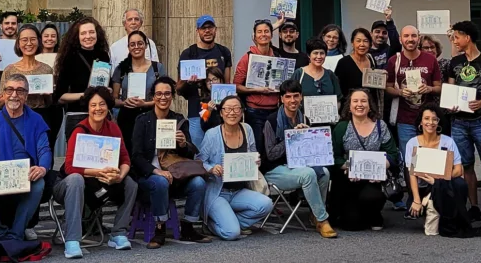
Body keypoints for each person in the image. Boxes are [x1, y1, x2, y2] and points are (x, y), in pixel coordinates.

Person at [54, 87, 138, 257]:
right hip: (70, 185)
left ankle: (118, 233)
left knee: (131, 183)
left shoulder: (113, 128)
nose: (98, 108)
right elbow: (69, 168)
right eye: (93, 105)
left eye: (102, 104)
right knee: (76, 178)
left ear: (108, 107)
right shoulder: (79, 130)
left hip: (103, 182)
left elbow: (125, 159)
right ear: (88, 108)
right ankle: (72, 240)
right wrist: (99, 172)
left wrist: (119, 176)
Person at [0, 72, 51, 241]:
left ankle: (16, 233)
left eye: (20, 91)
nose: (14, 95)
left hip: (23, 177)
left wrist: (42, 168)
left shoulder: (36, 120)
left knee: (39, 183)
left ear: (26, 96)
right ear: (3, 94)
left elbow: (45, 150)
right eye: (10, 90)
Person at [130, 77, 210, 248]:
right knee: (160, 181)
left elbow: (189, 154)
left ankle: (188, 226)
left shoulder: (179, 119)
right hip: (149, 177)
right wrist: (155, 171)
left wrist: (182, 144)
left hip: (176, 174)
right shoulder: (143, 120)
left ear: (172, 96)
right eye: (159, 94)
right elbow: (135, 155)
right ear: (153, 96)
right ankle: (160, 228)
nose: (163, 97)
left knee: (198, 183)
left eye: (167, 93)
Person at [442, 20, 481, 222]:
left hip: (480, 121)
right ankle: (474, 207)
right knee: (466, 165)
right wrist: (450, 104)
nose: (455, 41)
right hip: (459, 121)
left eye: (457, 37)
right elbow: (451, 88)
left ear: (467, 37)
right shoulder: (455, 62)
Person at [261, 80, 336, 238]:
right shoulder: (272, 121)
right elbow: (271, 154)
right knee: (308, 174)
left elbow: (311, 151)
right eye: (288, 97)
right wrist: (292, 137)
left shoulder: (305, 118)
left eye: (296, 96)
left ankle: (314, 214)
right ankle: (322, 219)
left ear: (301, 97)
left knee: (325, 173)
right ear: (282, 99)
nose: (292, 100)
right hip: (275, 169)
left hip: (299, 164)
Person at [200, 95, 274, 240]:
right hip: (218, 192)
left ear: (242, 112)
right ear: (221, 113)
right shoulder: (212, 134)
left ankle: (231, 221)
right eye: (227, 109)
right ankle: (210, 224)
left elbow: (253, 152)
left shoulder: (247, 129)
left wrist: (256, 160)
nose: (232, 113)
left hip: (240, 191)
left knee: (266, 204)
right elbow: (199, 161)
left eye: (236, 109)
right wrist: (211, 168)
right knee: (231, 233)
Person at [328, 88, 399, 232]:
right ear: (349, 106)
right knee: (351, 224)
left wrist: (380, 168)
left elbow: (393, 153)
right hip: (348, 180)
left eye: (363, 101)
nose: (359, 104)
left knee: (371, 197)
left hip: (374, 180)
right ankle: (353, 212)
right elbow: (334, 156)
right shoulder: (342, 127)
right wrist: (348, 167)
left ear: (369, 105)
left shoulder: (380, 126)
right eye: (355, 101)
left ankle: (374, 213)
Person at [404, 104, 471, 237]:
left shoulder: (448, 142)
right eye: (427, 118)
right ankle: (425, 204)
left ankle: (448, 216)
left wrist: (438, 180)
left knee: (460, 184)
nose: (430, 122)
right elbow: (411, 174)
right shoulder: (412, 143)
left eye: (434, 119)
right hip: (422, 187)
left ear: (439, 121)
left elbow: (459, 169)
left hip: (444, 184)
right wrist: (416, 199)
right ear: (421, 122)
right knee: (420, 204)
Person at [385, 24, 443, 159]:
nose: (410, 39)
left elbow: (439, 88)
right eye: (406, 36)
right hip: (405, 119)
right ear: (400, 39)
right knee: (409, 158)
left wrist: (429, 89)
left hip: (428, 118)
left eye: (413, 36)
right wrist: (399, 92)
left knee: (429, 157)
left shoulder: (430, 59)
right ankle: (411, 181)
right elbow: (387, 88)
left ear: (419, 38)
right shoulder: (394, 61)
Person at [178, 14, 233, 147]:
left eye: (210, 27)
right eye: (203, 28)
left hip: (218, 112)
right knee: (198, 152)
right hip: (196, 112)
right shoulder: (188, 53)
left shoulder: (224, 52)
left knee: (220, 150)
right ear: (198, 31)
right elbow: (178, 88)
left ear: (215, 29)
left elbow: (227, 84)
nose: (207, 31)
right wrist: (188, 82)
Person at [233, 19, 287, 155]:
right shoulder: (247, 58)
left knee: (274, 146)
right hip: (254, 111)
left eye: (266, 31)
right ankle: (258, 174)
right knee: (258, 146)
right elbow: (236, 86)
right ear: (254, 36)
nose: (263, 34)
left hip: (275, 110)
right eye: (260, 32)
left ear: (271, 34)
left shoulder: (278, 56)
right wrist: (257, 90)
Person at [53, 15, 112, 131]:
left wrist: (107, 91)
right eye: (83, 33)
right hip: (78, 116)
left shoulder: (103, 56)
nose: (88, 36)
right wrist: (87, 94)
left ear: (97, 34)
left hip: (101, 115)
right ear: (77, 37)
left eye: (91, 32)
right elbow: (60, 96)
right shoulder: (69, 58)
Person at [113, 30, 162, 140]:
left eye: (140, 43)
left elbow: (165, 97)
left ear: (145, 45)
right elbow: (113, 99)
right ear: (128, 47)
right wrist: (124, 102)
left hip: (151, 116)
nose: (136, 47)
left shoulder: (157, 68)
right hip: (126, 118)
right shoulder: (121, 69)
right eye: (132, 44)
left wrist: (145, 104)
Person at [335, 28, 381, 113]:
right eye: (358, 41)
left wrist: (382, 77)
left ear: (370, 44)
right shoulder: (344, 62)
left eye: (365, 41)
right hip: (350, 110)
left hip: (370, 110)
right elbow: (338, 90)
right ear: (352, 43)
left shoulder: (372, 60)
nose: (362, 44)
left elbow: (374, 88)